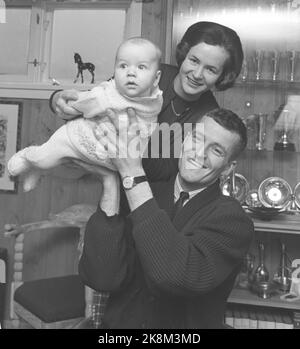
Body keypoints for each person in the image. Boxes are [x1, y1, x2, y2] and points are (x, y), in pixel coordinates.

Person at [78, 107, 254, 329]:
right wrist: (112, 181)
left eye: (216, 150)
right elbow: (101, 278)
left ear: (228, 168)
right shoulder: (140, 192)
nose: (199, 153)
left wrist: (132, 174)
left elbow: (174, 276)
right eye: (197, 139)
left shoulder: (233, 221)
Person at [49, 21, 244, 181]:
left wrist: (130, 141)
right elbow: (96, 99)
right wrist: (57, 100)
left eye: (211, 70)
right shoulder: (148, 72)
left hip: (152, 200)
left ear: (222, 77)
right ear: (184, 55)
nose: (197, 74)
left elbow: (164, 171)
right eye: (194, 61)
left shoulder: (206, 116)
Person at [7, 37, 163, 192]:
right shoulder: (107, 94)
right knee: (44, 159)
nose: (131, 73)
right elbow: (82, 101)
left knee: (68, 173)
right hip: (75, 138)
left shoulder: (155, 100)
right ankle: (28, 157)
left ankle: (39, 170)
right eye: (123, 66)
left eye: (141, 67)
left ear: (156, 79)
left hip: (107, 155)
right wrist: (65, 103)